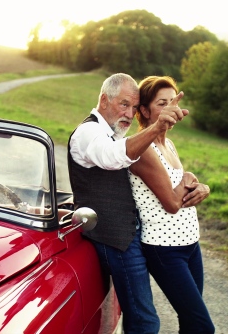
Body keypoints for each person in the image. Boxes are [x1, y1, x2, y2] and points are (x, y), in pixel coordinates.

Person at [67, 73, 188, 334]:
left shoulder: (111, 133)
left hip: (132, 236)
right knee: (146, 321)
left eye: (134, 108)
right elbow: (111, 158)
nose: (130, 114)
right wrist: (155, 127)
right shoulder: (89, 131)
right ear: (104, 99)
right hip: (114, 239)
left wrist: (193, 182)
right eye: (124, 104)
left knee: (137, 318)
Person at [128, 75, 215, 333]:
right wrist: (187, 180)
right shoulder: (142, 149)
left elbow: (182, 186)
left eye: (172, 102)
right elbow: (173, 203)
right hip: (165, 249)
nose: (171, 110)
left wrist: (201, 186)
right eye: (161, 104)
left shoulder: (169, 144)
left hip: (190, 244)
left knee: (190, 323)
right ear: (144, 110)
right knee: (202, 327)